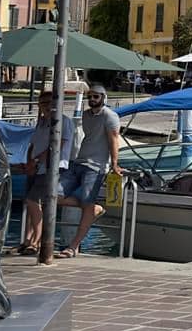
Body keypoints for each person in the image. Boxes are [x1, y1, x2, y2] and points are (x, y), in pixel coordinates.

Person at [56, 84, 120, 258]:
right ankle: (94, 208)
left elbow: (114, 139)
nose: (92, 99)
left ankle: (74, 246)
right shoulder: (85, 115)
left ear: (103, 97)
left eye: (96, 96)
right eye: (90, 96)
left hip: (96, 166)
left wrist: (114, 164)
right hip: (79, 162)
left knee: (86, 203)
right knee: (54, 195)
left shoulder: (110, 116)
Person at [15, 93, 74, 255]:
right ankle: (27, 239)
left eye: (49, 102)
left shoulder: (63, 122)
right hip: (36, 167)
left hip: (52, 168)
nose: (46, 106)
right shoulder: (41, 122)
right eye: (42, 103)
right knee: (29, 202)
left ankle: (37, 240)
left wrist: (37, 161)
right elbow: (33, 144)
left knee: (33, 200)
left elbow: (57, 146)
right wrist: (28, 161)